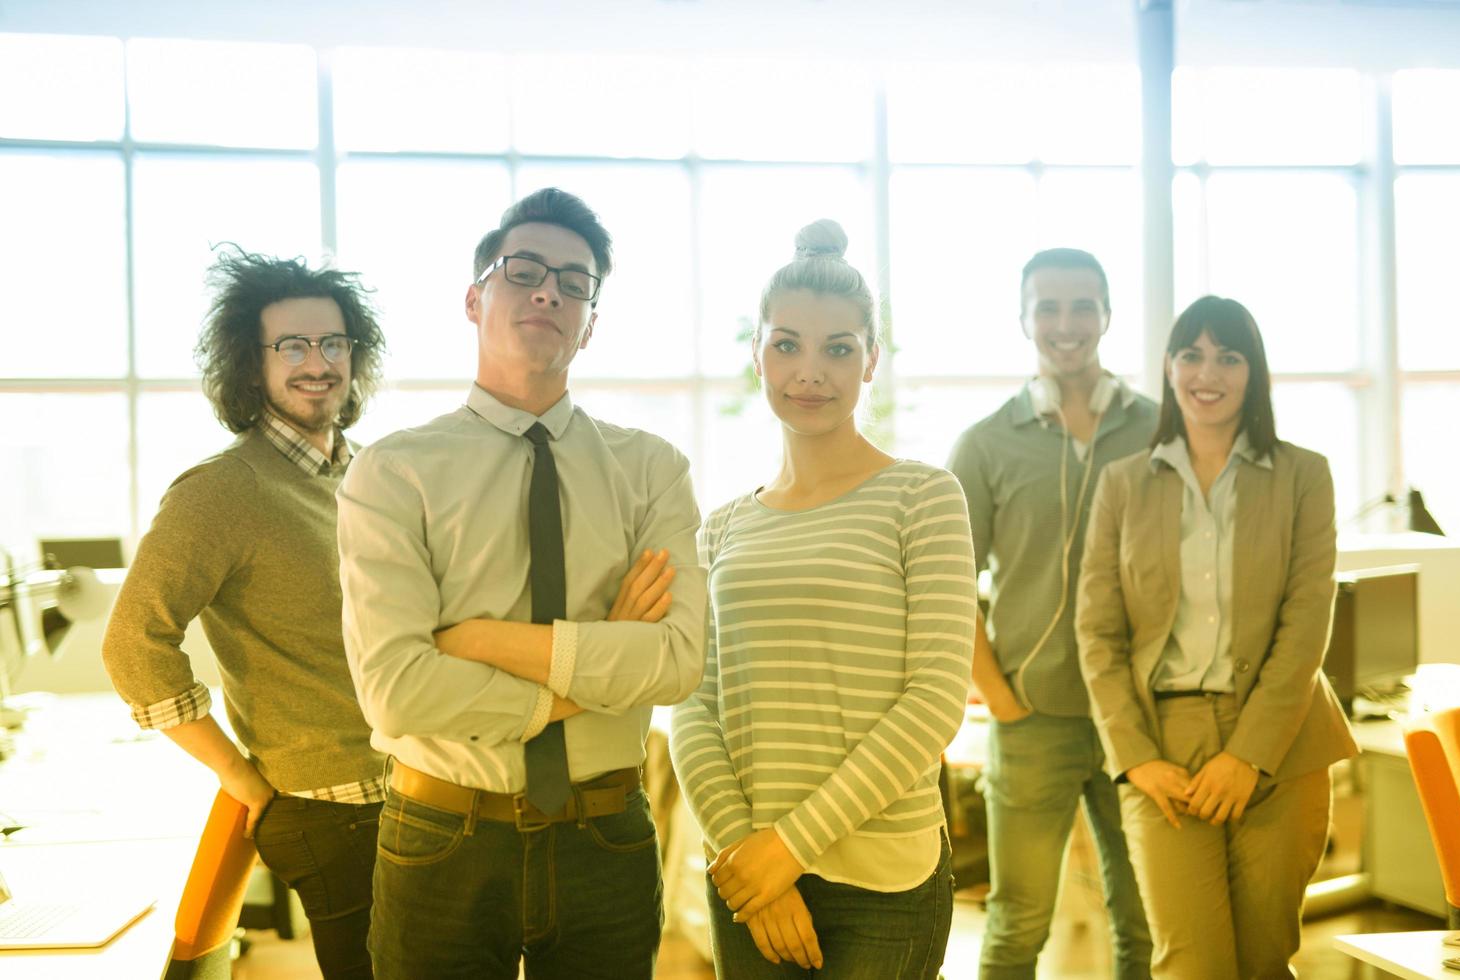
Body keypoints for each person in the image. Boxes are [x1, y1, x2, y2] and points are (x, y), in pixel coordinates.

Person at [336, 187, 705, 979]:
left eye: (575, 282)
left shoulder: (652, 470)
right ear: (475, 299)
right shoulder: (394, 471)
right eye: (525, 270)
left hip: (605, 835)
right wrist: (593, 665)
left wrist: (476, 644)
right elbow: (397, 691)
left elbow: (676, 663)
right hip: (442, 837)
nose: (550, 291)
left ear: (591, 322)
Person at [670, 219, 975, 980]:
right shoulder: (721, 528)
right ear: (758, 355)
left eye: (839, 348)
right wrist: (749, 856)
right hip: (749, 874)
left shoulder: (923, 496)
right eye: (788, 344)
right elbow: (692, 704)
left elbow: (934, 699)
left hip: (886, 883)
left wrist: (790, 847)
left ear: (871, 360)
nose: (811, 372)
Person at [102, 248, 389, 979]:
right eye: (290, 345)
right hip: (331, 811)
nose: (316, 362)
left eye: (332, 343)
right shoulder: (220, 492)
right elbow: (134, 645)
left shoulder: (366, 477)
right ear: (250, 363)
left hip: (412, 795)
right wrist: (241, 777)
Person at [1076, 295, 1359, 980]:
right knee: (1191, 963)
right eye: (1192, 354)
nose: (1209, 372)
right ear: (1170, 368)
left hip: (1282, 748)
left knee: (1264, 961)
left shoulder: (1304, 476)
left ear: (1252, 372)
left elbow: (1305, 626)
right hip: (1161, 746)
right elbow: (1098, 632)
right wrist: (1137, 759)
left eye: (1229, 356)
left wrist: (1248, 755)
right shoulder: (1121, 485)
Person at [946, 248, 1155, 979]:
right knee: (1017, 929)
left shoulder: (1158, 430)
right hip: (1033, 719)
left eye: (1082, 307)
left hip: (1141, 719)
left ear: (1106, 314)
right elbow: (948, 586)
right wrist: (1000, 699)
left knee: (1146, 920)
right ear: (1025, 318)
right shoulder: (985, 444)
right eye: (1049, 308)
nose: (1066, 325)